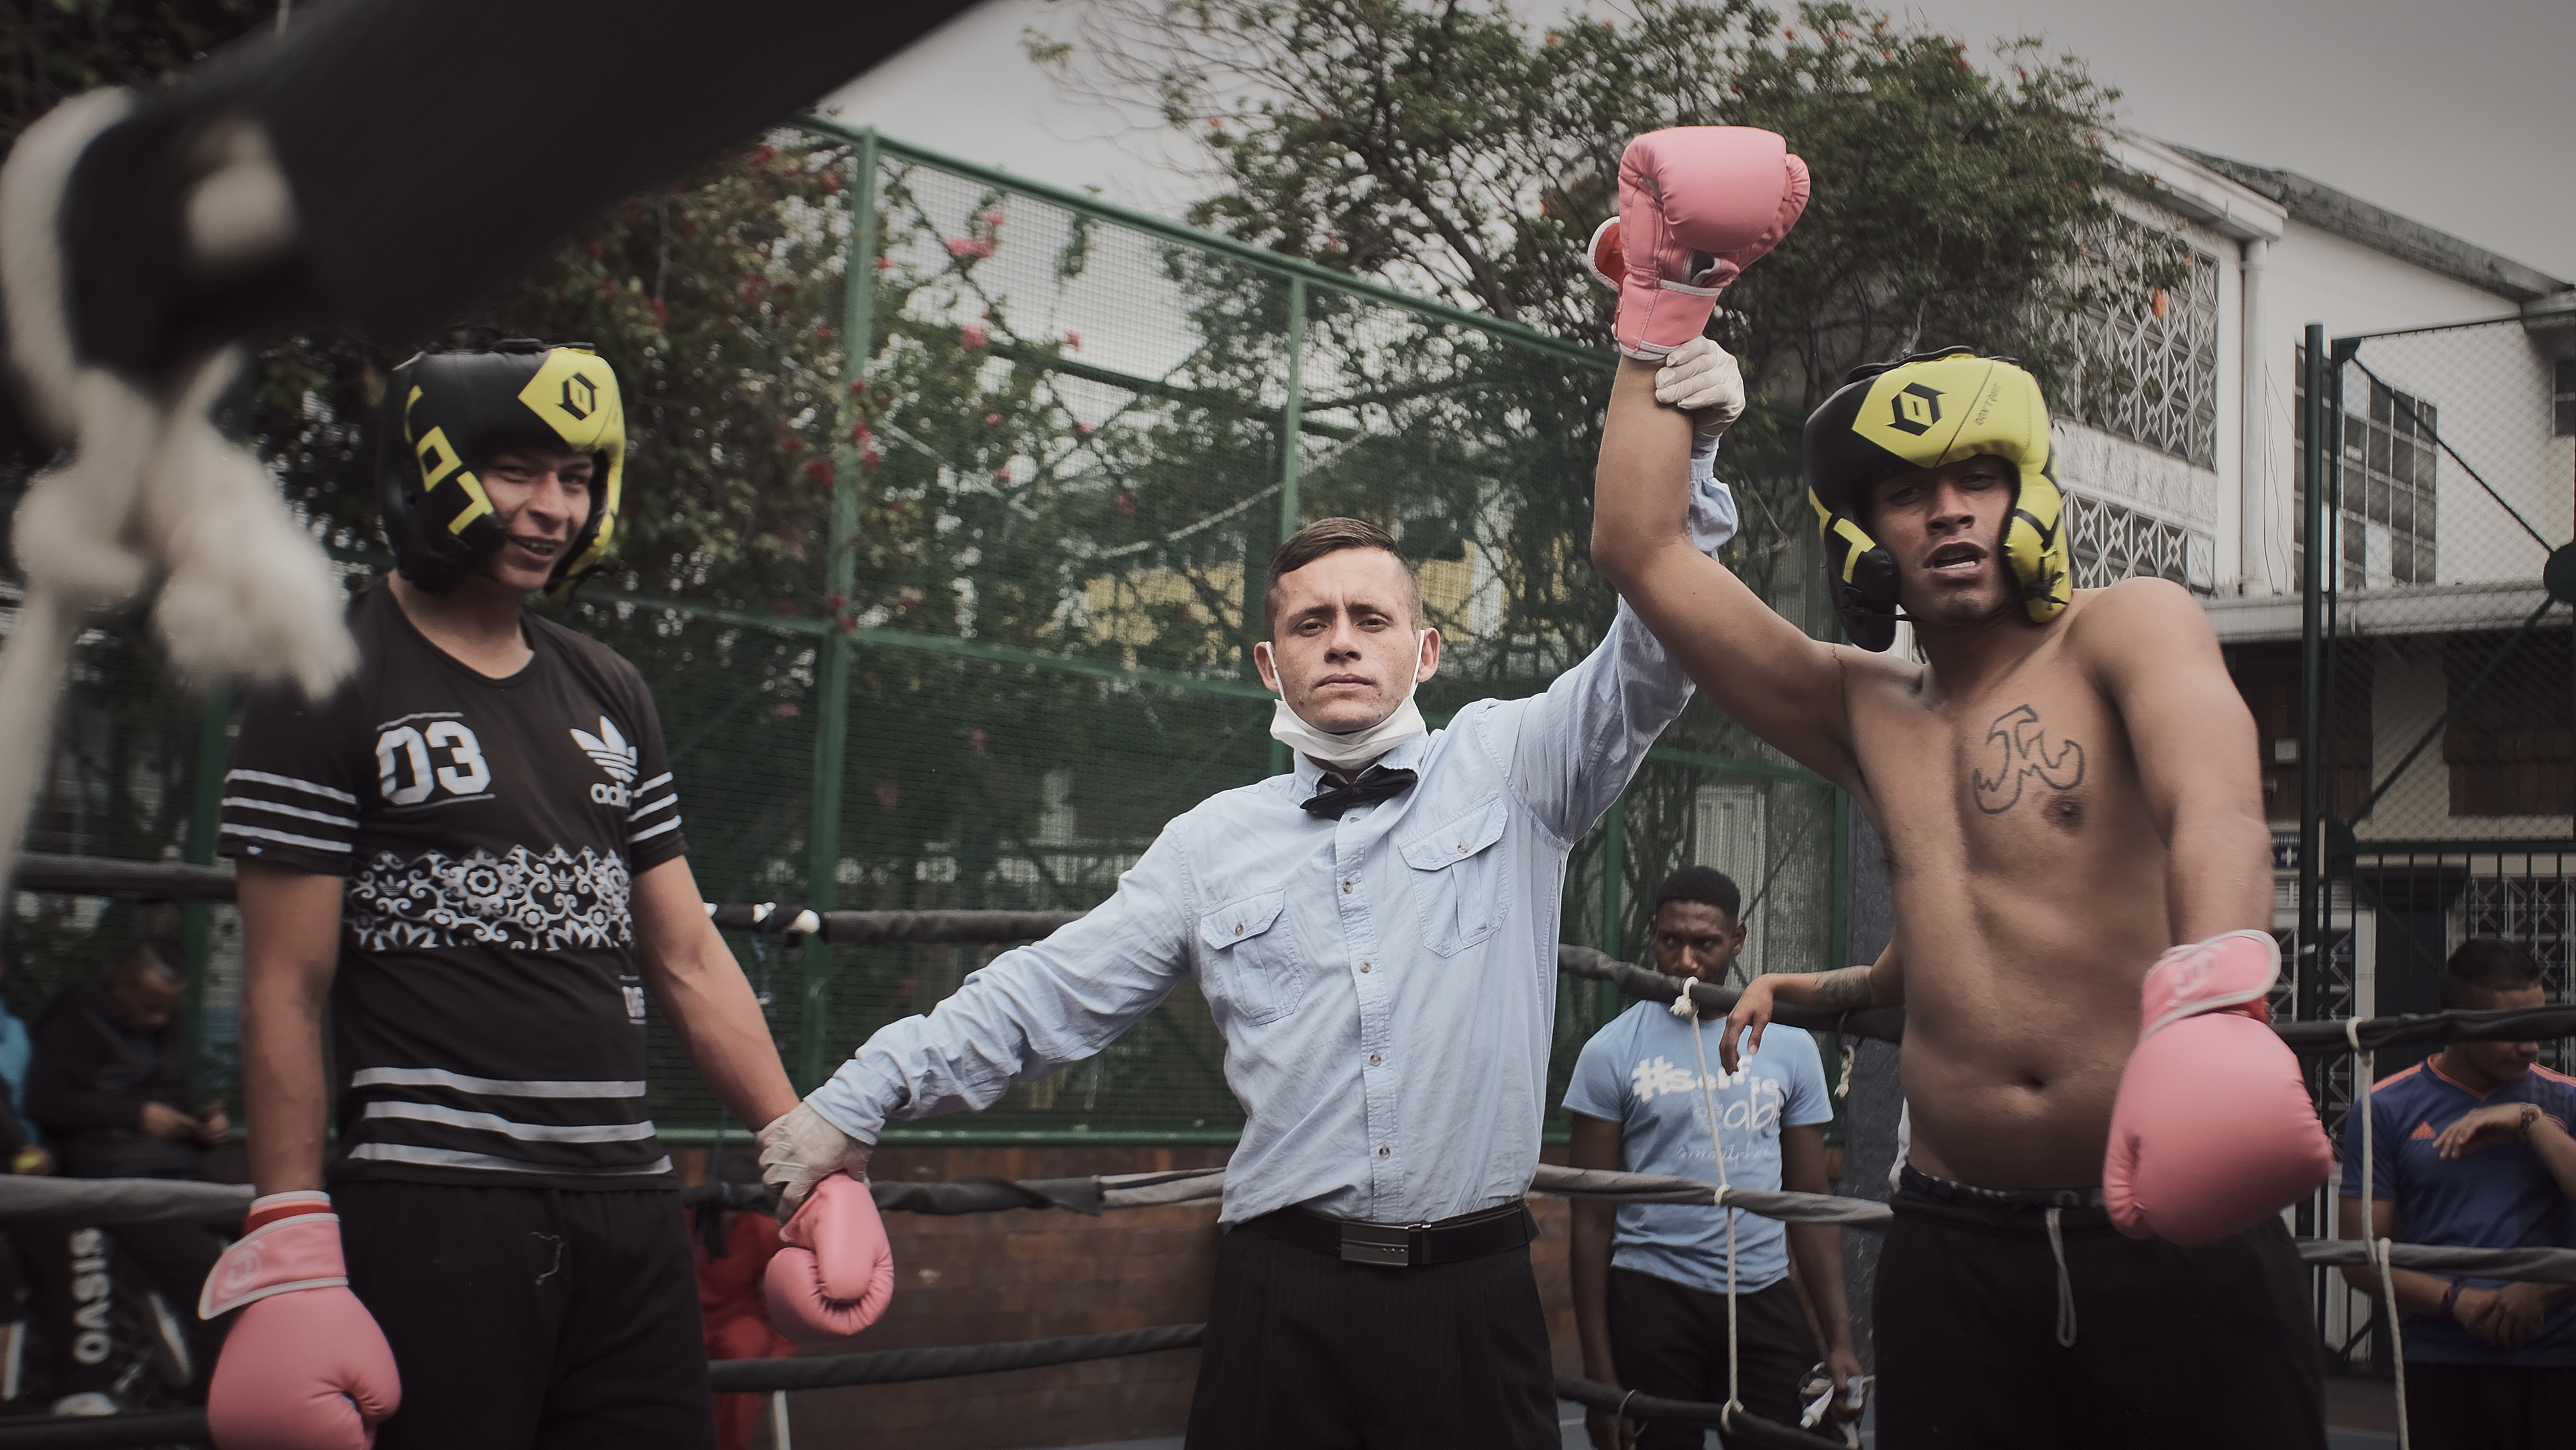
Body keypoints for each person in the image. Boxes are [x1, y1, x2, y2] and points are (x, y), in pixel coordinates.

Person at [757, 391, 1774, 1447]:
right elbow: (1048, 995)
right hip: (1281, 1298)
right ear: (1268, 662)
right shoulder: (1209, 843)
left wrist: (1691, 453)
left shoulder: (1513, 767)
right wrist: (857, 1098)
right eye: (1310, 623)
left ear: (1425, 651)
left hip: (1471, 1299)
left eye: (1370, 619)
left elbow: (1653, 657)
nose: (1342, 643)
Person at [1585, 126, 2331, 1449]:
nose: (1946, 512)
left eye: (1976, 479)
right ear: (1864, 537)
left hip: (2168, 1223)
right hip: (1954, 1247)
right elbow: (1642, 550)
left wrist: (2219, 1005)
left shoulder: (2127, 629)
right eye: (1907, 492)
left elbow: (2217, 805)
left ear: (2025, 497)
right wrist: (1664, 314)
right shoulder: (1865, 709)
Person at [205, 340, 851, 1449]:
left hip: (626, 1200)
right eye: (517, 470)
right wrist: (291, 1229)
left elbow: (686, 952)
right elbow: (284, 982)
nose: (554, 507)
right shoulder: (322, 666)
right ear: (435, 466)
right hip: (436, 1200)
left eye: (577, 478)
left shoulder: (609, 687)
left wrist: (799, 1147)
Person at [1566, 866, 1859, 1449]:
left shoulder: (1791, 1046)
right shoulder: (1610, 1051)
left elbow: (1809, 1204)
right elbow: (1591, 1220)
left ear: (1737, 940)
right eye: (1670, 940)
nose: (1686, 960)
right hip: (1651, 1294)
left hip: (1761, 1291)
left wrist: (1840, 1340)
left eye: (1705, 943)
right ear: (1652, 933)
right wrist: (1599, 1376)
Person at [2339, 939, 2576, 1449]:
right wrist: (2458, 1302)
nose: (2531, 1046)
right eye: (2511, 1030)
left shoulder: (2566, 1099)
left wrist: (2529, 1121)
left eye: (2537, 1024)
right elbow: (2359, 1259)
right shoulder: (2385, 1107)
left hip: (2558, 1355)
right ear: (2456, 1023)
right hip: (2440, 1357)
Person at [20, 937, 227, 1413]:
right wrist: (135, 1115)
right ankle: (206, 1411)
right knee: (204, 1269)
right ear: (120, 986)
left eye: (168, 1008)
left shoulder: (170, 1025)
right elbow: (46, 1101)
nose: (159, 1019)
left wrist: (201, 1127)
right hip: (110, 1173)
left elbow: (174, 1100)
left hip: (174, 1170)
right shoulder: (75, 1019)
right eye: (150, 1005)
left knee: (262, 1227)